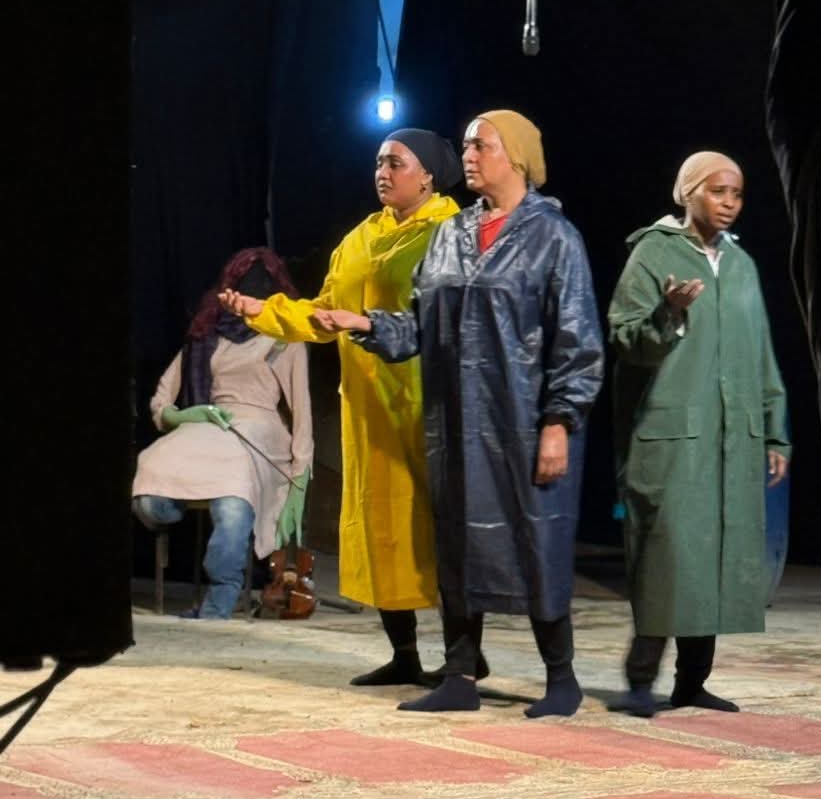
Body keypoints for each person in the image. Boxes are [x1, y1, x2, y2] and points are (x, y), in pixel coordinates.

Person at [314, 110, 605, 718]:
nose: (468, 156)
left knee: (537, 541)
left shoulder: (554, 237)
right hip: (455, 424)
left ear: (516, 156)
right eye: (467, 146)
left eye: (481, 146)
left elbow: (577, 340)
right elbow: (421, 325)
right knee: (457, 546)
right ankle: (460, 676)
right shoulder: (452, 235)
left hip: (523, 422)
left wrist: (560, 421)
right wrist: (364, 322)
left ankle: (562, 678)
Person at [220, 130, 462, 685]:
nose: (382, 172)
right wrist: (262, 310)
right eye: (378, 162)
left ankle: (463, 659)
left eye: (396, 163)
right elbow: (324, 314)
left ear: (428, 175)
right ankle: (405, 654)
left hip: (426, 404)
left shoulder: (450, 233)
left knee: (437, 533)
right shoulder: (360, 238)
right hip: (368, 408)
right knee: (381, 527)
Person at [607, 151, 790, 716]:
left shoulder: (741, 265)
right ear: (688, 193)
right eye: (717, 191)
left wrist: (774, 433)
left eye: (737, 193)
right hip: (670, 434)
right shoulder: (652, 254)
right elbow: (625, 339)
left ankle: (693, 682)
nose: (730, 203)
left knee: (713, 553)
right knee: (667, 555)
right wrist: (668, 313)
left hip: (731, 436)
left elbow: (761, 353)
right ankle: (641, 679)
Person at [133, 248, 313, 619]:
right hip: (208, 423)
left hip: (258, 428)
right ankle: (176, 505)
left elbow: (302, 409)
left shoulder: (284, 337)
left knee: (233, 494)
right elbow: (162, 399)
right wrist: (183, 416)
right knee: (149, 474)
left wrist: (300, 477)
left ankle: (219, 601)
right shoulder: (207, 334)